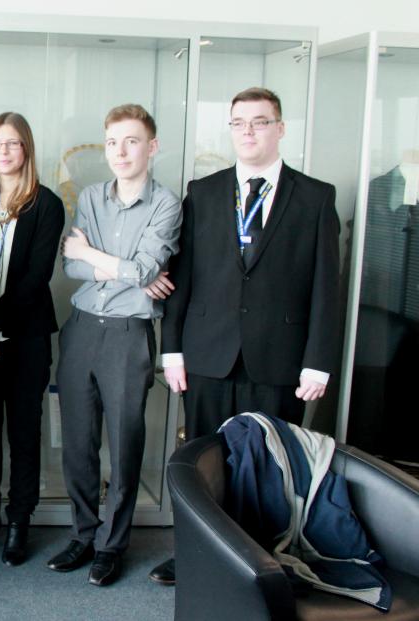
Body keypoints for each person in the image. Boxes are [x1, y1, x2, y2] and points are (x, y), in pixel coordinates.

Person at [150, 87, 340, 586]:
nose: (249, 132)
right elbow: (182, 277)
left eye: (260, 122)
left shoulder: (316, 197)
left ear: (280, 128)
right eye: (239, 123)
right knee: (205, 463)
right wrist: (172, 348)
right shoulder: (204, 191)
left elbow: (327, 287)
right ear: (231, 129)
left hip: (280, 357)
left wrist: (317, 361)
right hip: (208, 353)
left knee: (271, 462)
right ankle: (196, 552)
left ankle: (264, 559)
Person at [53, 104, 181, 586]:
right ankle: (83, 535)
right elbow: (72, 268)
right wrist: (121, 268)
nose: (121, 151)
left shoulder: (167, 204)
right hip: (83, 327)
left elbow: (145, 271)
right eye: (112, 142)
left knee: (125, 446)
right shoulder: (90, 195)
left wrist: (93, 254)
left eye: (131, 141)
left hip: (128, 336)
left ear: (152, 147)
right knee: (78, 444)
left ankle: (112, 545)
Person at [0, 112, 65, 566]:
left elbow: (36, 278)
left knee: (24, 431)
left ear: (27, 150)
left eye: (13, 143)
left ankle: (19, 520)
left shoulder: (46, 204)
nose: (3, 151)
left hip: (25, 337)